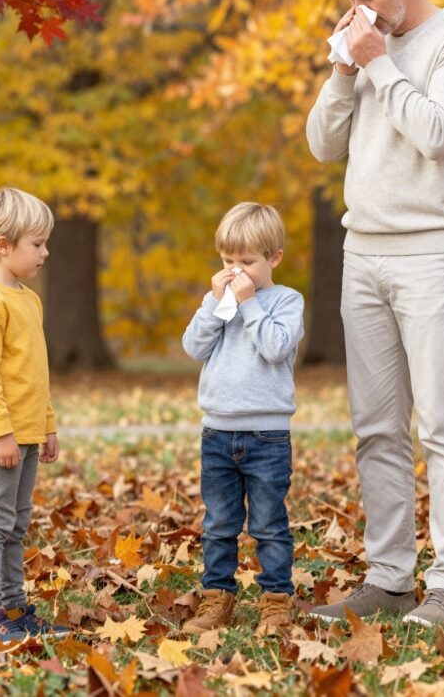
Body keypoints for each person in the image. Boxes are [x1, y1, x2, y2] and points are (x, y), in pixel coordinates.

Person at [305, 0, 444, 627]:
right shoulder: (363, 48)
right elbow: (323, 147)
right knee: (377, 429)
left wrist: (379, 63)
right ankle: (388, 580)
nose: (358, 6)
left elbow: (437, 132)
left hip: (437, 254)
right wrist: (343, 71)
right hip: (366, 254)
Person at [180, 202, 305, 635]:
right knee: (218, 524)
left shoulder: (287, 301)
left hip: (267, 434)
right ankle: (217, 598)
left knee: (269, 524)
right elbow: (194, 348)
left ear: (274, 258)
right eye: (228, 261)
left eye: (247, 262)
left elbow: (274, 348)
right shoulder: (218, 301)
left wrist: (249, 304)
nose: (236, 271)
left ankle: (275, 600)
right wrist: (216, 304)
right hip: (217, 431)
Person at [0, 186, 69, 644]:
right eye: (37, 244)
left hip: (24, 433)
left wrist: (46, 425)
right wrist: (2, 434)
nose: (45, 252)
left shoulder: (28, 299)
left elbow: (34, 371)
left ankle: (12, 606)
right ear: (3, 246)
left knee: (17, 523)